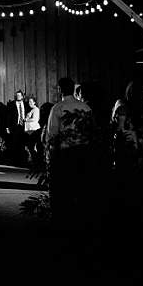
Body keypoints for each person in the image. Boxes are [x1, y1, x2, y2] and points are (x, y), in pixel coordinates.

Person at [43, 76, 96, 227]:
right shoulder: (85, 108)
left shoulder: (57, 108)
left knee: (63, 188)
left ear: (60, 89)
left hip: (65, 153)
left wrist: (51, 155)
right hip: (84, 151)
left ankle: (63, 220)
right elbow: (92, 130)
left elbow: (52, 134)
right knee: (81, 187)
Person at [5, 90, 27, 166]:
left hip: (24, 126)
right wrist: (7, 127)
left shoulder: (26, 104)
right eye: (17, 96)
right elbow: (8, 116)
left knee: (22, 144)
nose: (18, 97)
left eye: (19, 96)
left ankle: (22, 161)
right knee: (14, 144)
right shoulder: (11, 105)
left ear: (22, 96)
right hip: (15, 126)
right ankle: (14, 161)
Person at [21, 95, 42, 164]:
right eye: (29, 102)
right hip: (28, 129)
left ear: (34, 102)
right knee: (29, 145)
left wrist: (26, 119)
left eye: (31, 102)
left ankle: (35, 159)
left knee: (31, 145)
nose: (29, 103)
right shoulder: (31, 110)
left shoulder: (36, 110)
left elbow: (35, 119)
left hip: (33, 130)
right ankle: (33, 159)